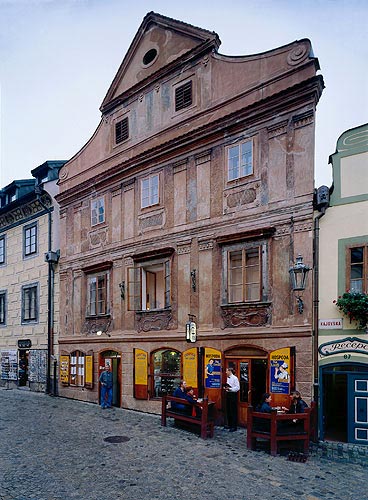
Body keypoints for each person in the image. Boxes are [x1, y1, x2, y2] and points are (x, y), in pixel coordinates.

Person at [224, 367, 240, 432]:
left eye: (226, 371)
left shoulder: (235, 378)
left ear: (230, 371)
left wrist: (230, 389)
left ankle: (234, 426)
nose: (226, 372)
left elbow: (237, 387)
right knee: (228, 410)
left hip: (233, 395)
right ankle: (230, 425)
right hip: (228, 395)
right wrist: (226, 388)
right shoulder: (228, 378)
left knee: (233, 410)